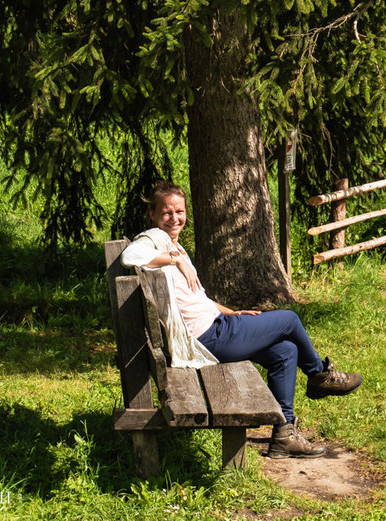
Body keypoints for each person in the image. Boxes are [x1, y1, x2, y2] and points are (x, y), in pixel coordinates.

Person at [120, 180, 362, 459]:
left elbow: (196, 300)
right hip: (208, 338)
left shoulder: (169, 245)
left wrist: (230, 312)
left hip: (216, 328)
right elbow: (130, 255)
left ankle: (284, 436)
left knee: (285, 351)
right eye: (166, 213)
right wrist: (176, 260)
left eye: (180, 212)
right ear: (153, 215)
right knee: (289, 320)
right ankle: (320, 375)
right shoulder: (153, 239)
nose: (175, 218)